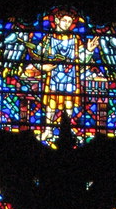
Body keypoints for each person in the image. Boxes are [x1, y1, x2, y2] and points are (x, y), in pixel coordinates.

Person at [37, 9, 99, 145]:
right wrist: (42, 67)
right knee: (51, 104)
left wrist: (88, 50)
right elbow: (38, 56)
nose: (67, 24)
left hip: (70, 77)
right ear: (57, 21)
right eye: (64, 20)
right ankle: (48, 130)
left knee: (69, 104)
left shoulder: (75, 39)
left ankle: (70, 129)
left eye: (69, 22)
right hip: (53, 77)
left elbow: (81, 60)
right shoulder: (48, 38)